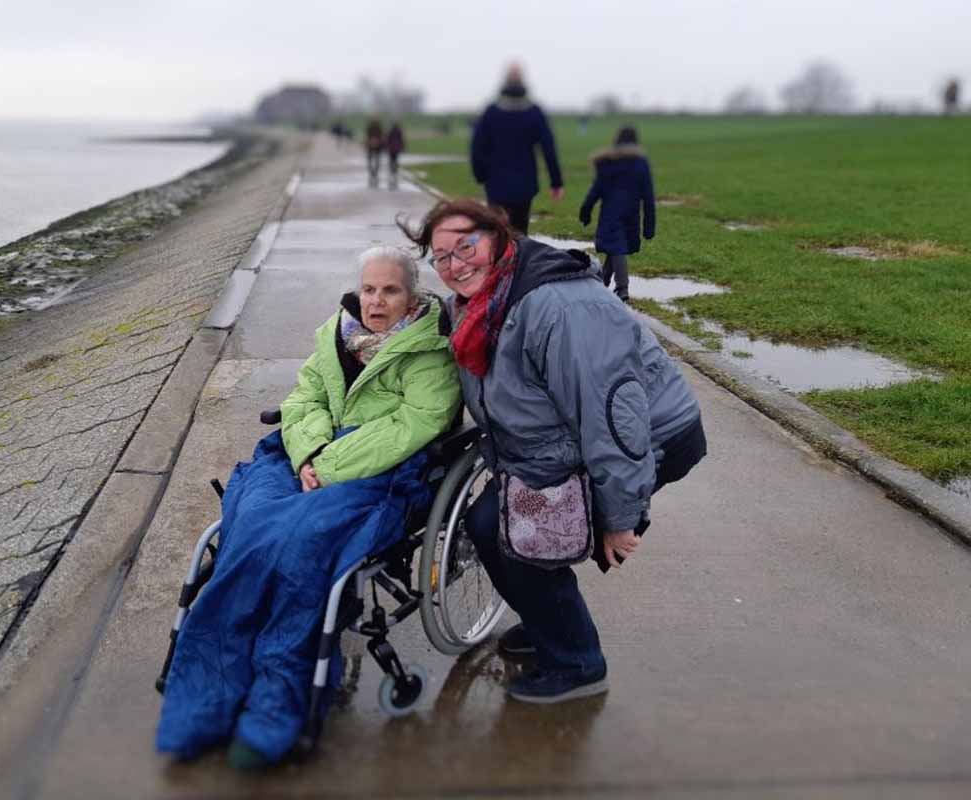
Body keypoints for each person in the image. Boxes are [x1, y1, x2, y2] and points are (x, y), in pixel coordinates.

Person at [156, 246, 461, 769]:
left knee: (297, 546)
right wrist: (310, 455)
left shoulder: (428, 353)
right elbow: (303, 402)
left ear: (412, 299)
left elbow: (418, 423)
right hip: (305, 458)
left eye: (389, 290)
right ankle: (208, 698)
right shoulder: (335, 337)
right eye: (368, 289)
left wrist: (333, 464)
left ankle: (276, 701)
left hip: (380, 472)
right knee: (248, 522)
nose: (376, 301)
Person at [400, 199, 706, 704]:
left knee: (520, 540)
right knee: (490, 525)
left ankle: (577, 663)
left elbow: (613, 417)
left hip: (646, 439)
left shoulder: (558, 307)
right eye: (442, 258)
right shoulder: (480, 305)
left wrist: (621, 515)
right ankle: (551, 626)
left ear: (498, 238)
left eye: (466, 246)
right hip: (558, 448)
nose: (456, 265)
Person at [470, 62, 564, 234]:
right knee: (520, 233)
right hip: (525, 183)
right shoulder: (534, 112)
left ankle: (499, 259)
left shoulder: (491, 112)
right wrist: (556, 181)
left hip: (496, 182)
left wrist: (481, 175)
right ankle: (519, 259)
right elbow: (548, 148)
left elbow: (477, 148)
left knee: (497, 232)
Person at [578, 126, 656, 302]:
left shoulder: (608, 162)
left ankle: (621, 288)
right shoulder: (640, 163)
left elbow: (596, 190)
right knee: (617, 247)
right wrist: (649, 225)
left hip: (611, 213)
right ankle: (606, 283)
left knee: (616, 247)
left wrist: (586, 210)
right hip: (631, 214)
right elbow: (649, 197)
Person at [364, 117, 385, 186]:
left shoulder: (376, 128)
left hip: (375, 146)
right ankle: (373, 173)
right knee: (374, 161)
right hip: (373, 146)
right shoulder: (377, 128)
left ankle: (373, 173)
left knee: (374, 161)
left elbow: (367, 137)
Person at [386, 121, 406, 189]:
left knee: (391, 161)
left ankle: (392, 171)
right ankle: (395, 172)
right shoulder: (399, 131)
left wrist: (386, 147)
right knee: (395, 160)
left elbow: (387, 140)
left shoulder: (390, 131)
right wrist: (403, 147)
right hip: (397, 148)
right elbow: (402, 140)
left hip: (391, 148)